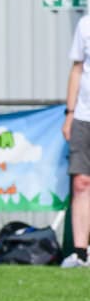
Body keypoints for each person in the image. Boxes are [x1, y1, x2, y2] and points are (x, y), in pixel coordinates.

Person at [62, 14, 90, 267]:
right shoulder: (85, 25)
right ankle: (80, 253)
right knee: (81, 183)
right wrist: (70, 114)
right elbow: (77, 69)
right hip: (83, 116)